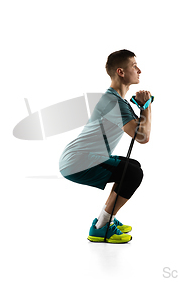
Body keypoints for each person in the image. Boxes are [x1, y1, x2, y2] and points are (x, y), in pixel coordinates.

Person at [59, 49, 152, 243]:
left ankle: (106, 220)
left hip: (81, 158)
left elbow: (140, 130)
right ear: (121, 72)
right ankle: (101, 227)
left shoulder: (117, 101)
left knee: (132, 167)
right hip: (78, 161)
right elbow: (142, 137)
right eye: (134, 66)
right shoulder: (113, 102)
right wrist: (147, 106)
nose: (139, 70)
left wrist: (143, 107)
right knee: (133, 174)